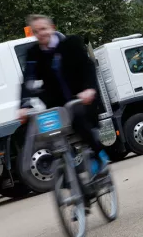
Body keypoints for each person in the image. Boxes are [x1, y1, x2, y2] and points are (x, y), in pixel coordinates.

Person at [17, 14, 108, 177]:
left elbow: (88, 67)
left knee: (79, 120)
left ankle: (99, 155)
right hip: (56, 105)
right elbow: (28, 81)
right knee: (45, 131)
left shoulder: (71, 43)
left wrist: (89, 90)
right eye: (36, 31)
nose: (41, 33)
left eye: (43, 29)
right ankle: (67, 170)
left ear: (52, 28)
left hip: (81, 99)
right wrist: (24, 106)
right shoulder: (33, 54)